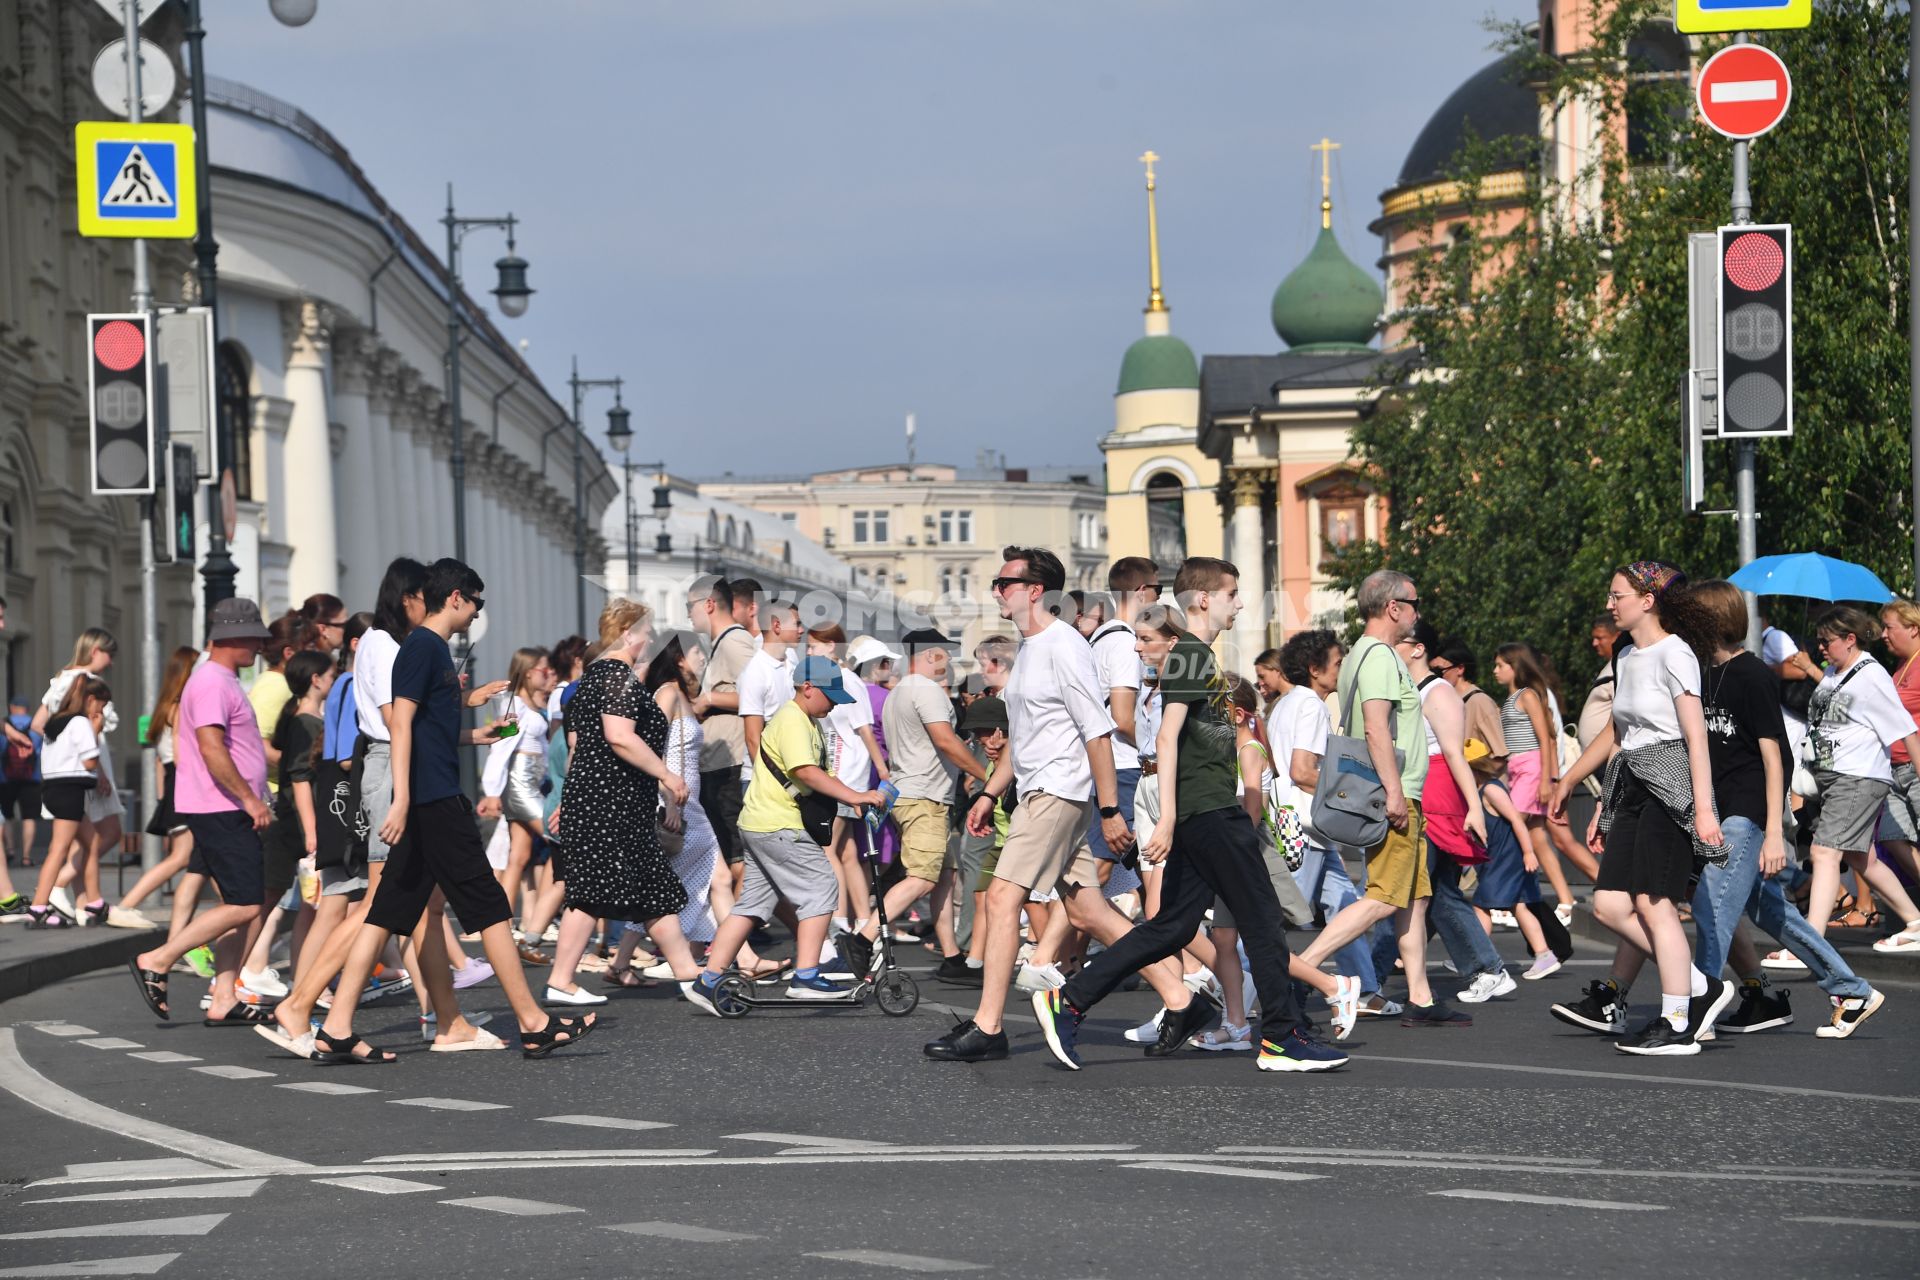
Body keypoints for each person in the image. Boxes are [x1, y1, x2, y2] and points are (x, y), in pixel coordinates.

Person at [1030, 557, 1347, 1073]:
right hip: (1208, 812)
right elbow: (1165, 737)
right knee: (1263, 919)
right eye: (1232, 593)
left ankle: (1068, 1001)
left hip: (1204, 811)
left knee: (1171, 927)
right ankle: (1283, 1037)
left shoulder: (1196, 656)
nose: (1240, 603)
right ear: (1203, 599)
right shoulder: (1192, 655)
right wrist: (1170, 819)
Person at [283, 559, 593, 1062]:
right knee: (488, 903)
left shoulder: (427, 650)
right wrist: (402, 799)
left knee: (385, 912)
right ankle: (533, 1023)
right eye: (476, 603)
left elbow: (426, 729)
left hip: (429, 794)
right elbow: (399, 725)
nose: (476, 613)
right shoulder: (422, 649)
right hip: (430, 799)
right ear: (455, 598)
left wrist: (481, 734)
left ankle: (336, 1027)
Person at [925, 547, 1203, 1064]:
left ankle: (989, 1026)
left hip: (1059, 794)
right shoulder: (1030, 648)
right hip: (1040, 789)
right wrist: (989, 791)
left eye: (1004, 582)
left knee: (1004, 899)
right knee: (1088, 909)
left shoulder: (1063, 646)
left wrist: (1108, 808)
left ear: (1036, 592)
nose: (995, 591)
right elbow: (1025, 738)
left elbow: (1097, 732)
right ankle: (1182, 997)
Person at [1551, 562, 1732, 1056]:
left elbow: (1696, 736)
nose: (1610, 605)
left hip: (1670, 782)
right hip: (1630, 781)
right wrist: (1588, 794)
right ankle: (1698, 985)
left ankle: (1678, 1023)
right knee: (1609, 904)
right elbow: (1618, 734)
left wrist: (1704, 810)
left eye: (1618, 596)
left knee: (1656, 904)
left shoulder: (1677, 654)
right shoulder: (1627, 655)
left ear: (1648, 600)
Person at [1294, 570, 1468, 1028]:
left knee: (1414, 899)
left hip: (1397, 791)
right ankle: (1299, 970)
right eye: (1414, 602)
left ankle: (1421, 999)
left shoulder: (1366, 655)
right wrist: (1394, 793)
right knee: (1386, 898)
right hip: (1393, 794)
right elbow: (1375, 728)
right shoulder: (1377, 657)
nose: (1418, 611)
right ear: (1394, 608)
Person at [687, 656, 887, 1011]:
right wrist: (854, 795)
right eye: (830, 695)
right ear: (807, 688)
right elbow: (806, 772)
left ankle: (709, 979)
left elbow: (817, 774)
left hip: (760, 821)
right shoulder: (795, 721)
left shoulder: (803, 720)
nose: (834, 703)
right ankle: (806, 976)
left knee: (752, 904)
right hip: (779, 824)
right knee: (823, 886)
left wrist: (851, 800)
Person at [124, 599, 278, 1025]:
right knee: (247, 905)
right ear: (235, 638)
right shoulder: (212, 682)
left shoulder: (219, 679)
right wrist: (249, 799)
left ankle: (224, 996)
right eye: (254, 639)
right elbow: (212, 747)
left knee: (241, 901)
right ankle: (159, 957)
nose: (259, 648)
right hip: (221, 807)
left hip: (218, 806)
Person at [548, 600, 703, 1003]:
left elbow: (581, 745)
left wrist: (570, 800)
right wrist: (667, 775)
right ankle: (561, 980)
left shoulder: (594, 676)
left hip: (607, 801)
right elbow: (619, 736)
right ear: (628, 633)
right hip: (610, 802)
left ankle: (688, 973)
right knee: (598, 891)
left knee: (648, 888)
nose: (651, 638)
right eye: (646, 630)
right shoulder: (617, 677)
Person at [840, 628, 982, 981]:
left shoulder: (898, 691)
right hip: (925, 797)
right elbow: (945, 740)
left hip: (912, 792)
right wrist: (986, 775)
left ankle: (952, 957)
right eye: (945, 654)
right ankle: (862, 938)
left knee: (944, 876)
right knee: (921, 878)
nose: (949, 662)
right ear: (932, 654)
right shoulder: (927, 690)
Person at [1270, 629, 1394, 1019]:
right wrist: (1351, 796)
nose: (1341, 671)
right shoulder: (1310, 705)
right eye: (1337, 663)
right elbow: (1302, 770)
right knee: (1273, 920)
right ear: (1314, 669)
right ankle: (1231, 985)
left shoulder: (1286, 703)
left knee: (1346, 908)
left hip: (1308, 830)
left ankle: (1366, 990)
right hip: (1305, 830)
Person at [1798, 605, 1920, 951]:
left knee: (1824, 852)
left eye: (1826, 640)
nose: (1820, 647)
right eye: (1818, 640)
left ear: (1850, 639)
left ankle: (1811, 942)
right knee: (1859, 856)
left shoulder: (1872, 675)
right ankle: (1915, 921)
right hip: (1832, 777)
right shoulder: (1836, 673)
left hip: (1859, 776)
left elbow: (1906, 728)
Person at [1402, 622, 1503, 1002]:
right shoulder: (1412, 689)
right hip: (1424, 790)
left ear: (1418, 649)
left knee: (1413, 889)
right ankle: (1486, 967)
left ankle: (1372, 977)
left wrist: (1474, 807)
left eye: (1400, 641)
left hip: (1437, 793)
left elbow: (1455, 754)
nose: (1391, 646)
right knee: (1435, 889)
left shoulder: (1438, 691)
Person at [640, 634, 737, 974]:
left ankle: (637, 958)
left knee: (698, 881)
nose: (702, 658)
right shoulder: (667, 693)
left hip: (688, 801)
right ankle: (740, 957)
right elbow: (650, 749)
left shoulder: (681, 694)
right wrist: (668, 798)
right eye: (697, 651)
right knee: (709, 878)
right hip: (677, 801)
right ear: (679, 657)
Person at [805, 624, 890, 947]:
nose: (809, 652)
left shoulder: (847, 680)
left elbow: (864, 730)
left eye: (814, 646)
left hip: (845, 775)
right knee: (848, 853)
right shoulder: (835, 679)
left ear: (831, 647)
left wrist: (881, 770)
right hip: (840, 774)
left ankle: (839, 920)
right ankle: (865, 922)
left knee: (828, 850)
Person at [32, 628, 124, 925]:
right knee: (83, 841)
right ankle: (48, 896)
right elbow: (40, 724)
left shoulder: (67, 685)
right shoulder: (81, 686)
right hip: (79, 777)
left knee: (90, 840)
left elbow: (41, 725)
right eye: (109, 654)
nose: (111, 662)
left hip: (69, 777)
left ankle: (87, 902)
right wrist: (86, 759)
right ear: (95, 650)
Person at [106, 646, 201, 931]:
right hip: (186, 783)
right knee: (184, 857)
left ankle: (177, 926)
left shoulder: (166, 707)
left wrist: (164, 796)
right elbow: (183, 757)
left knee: (194, 860)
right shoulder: (181, 707)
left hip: (176, 783)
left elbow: (162, 761)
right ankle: (126, 905)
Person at [262, 650, 334, 983]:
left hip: (301, 820)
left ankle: (303, 979)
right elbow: (301, 777)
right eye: (331, 676)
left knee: (305, 903)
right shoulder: (307, 722)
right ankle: (300, 979)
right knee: (306, 904)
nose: (334, 682)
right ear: (316, 680)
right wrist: (312, 832)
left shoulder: (302, 718)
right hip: (304, 822)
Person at [1494, 642, 1579, 919]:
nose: (1495, 671)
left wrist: (1548, 780)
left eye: (1500, 665)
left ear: (1514, 666)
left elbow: (1546, 738)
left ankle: (1505, 897)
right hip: (1518, 768)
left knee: (1510, 825)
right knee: (1537, 838)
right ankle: (1565, 899)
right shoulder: (1511, 699)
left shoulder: (1528, 696)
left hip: (1531, 768)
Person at [690, 577, 759, 904]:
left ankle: (736, 934)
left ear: (708, 604)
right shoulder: (722, 644)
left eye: (689, 607)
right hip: (719, 763)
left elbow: (759, 695)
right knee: (729, 859)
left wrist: (709, 699)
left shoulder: (734, 642)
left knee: (738, 859)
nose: (688, 616)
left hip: (730, 763)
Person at [24, 676, 111, 928]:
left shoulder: (55, 722)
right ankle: (38, 908)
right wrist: (95, 731)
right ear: (90, 700)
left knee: (91, 842)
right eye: (101, 707)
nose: (101, 713)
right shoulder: (81, 723)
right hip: (70, 791)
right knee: (59, 849)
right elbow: (90, 762)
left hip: (53, 789)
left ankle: (94, 902)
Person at [477, 647, 556, 920]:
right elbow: (501, 747)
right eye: (544, 670)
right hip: (520, 785)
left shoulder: (531, 704)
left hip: (533, 782)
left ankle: (503, 922)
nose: (548, 675)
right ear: (528, 671)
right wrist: (491, 792)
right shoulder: (514, 705)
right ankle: (539, 922)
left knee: (518, 858)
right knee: (558, 835)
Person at [1253, 647, 1288, 713]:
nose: (1260, 683)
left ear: (1277, 670)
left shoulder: (1294, 699)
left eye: (1262, 677)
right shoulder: (1276, 703)